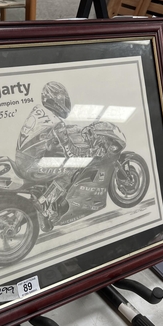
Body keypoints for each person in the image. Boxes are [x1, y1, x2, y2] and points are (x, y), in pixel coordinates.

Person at [15, 82, 96, 223]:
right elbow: (70, 151)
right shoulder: (56, 123)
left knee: (57, 160)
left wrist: (71, 129)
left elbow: (44, 137)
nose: (66, 103)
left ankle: (48, 198)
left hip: (22, 160)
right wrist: (88, 152)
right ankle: (44, 203)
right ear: (56, 100)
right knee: (70, 168)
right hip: (33, 166)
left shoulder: (39, 110)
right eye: (64, 100)